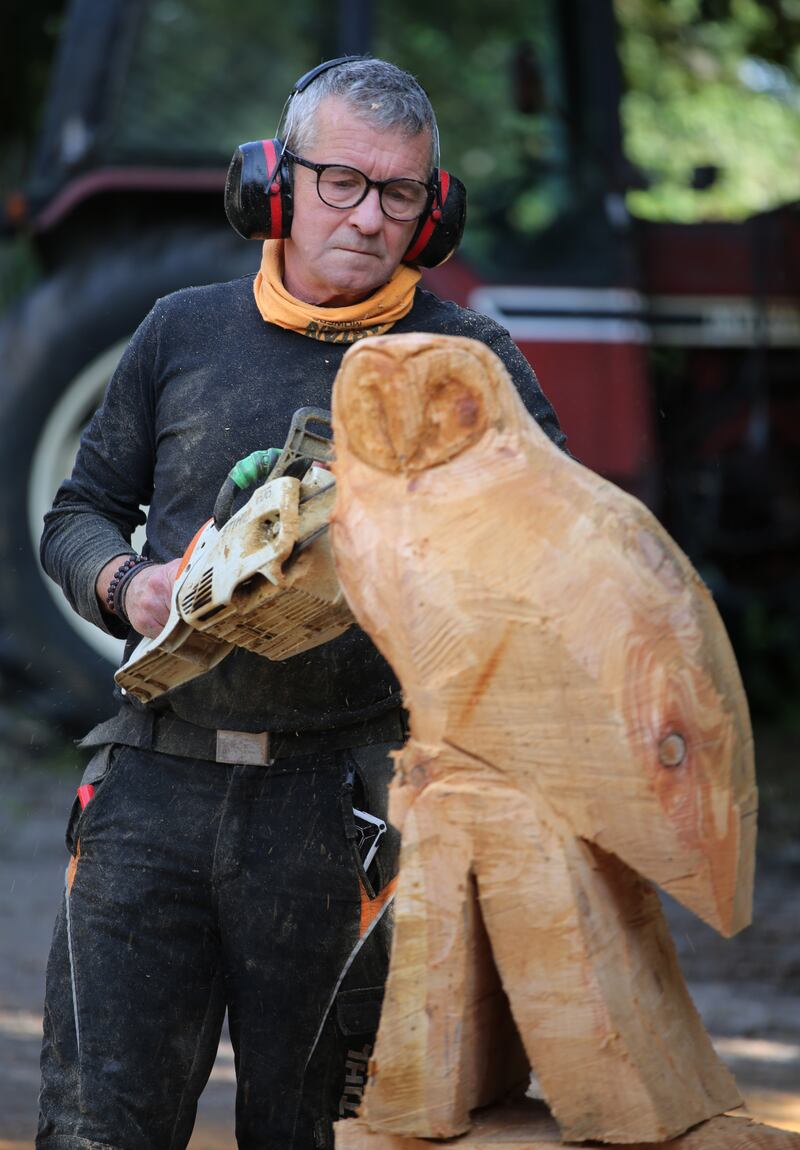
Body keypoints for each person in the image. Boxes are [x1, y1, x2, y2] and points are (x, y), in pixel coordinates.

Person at [37, 56, 567, 1150]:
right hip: (152, 786)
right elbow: (77, 512)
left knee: (321, 1134)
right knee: (99, 1127)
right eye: (339, 182)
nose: (368, 218)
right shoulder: (181, 329)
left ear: (434, 210)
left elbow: (552, 556)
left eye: (399, 193)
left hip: (348, 812)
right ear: (273, 182)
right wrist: (127, 582)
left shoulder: (464, 362)